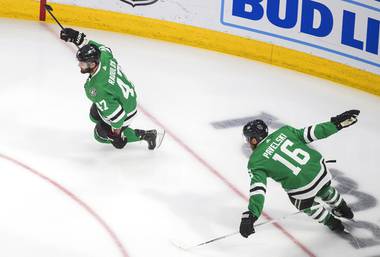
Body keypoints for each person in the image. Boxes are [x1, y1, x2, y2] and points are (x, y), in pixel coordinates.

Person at [239, 110, 360, 237]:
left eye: (248, 139)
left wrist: (252, 215)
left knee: (306, 204)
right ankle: (343, 209)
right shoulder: (284, 131)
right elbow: (313, 132)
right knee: (323, 187)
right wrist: (336, 124)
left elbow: (258, 190)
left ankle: (333, 223)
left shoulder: (255, 161)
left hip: (303, 189)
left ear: (253, 140)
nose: (247, 142)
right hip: (321, 171)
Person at [59, 28, 164, 150]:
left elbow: (118, 117)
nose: (79, 65)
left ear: (92, 65)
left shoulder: (95, 88)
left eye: (82, 63)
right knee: (93, 116)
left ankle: (146, 135)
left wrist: (116, 135)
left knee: (99, 135)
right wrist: (77, 37)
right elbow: (102, 48)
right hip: (124, 95)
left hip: (126, 111)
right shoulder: (104, 57)